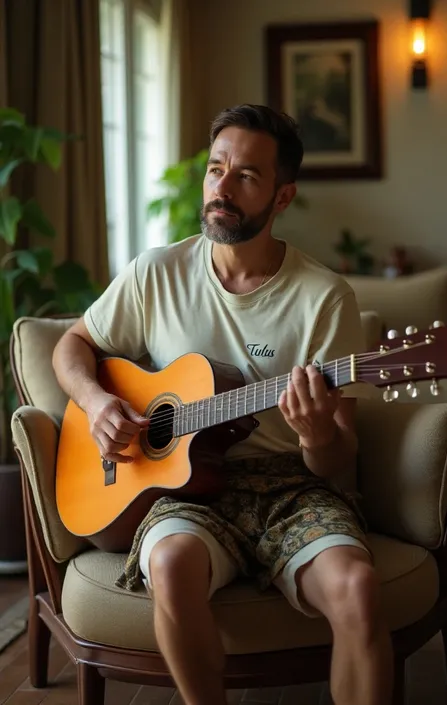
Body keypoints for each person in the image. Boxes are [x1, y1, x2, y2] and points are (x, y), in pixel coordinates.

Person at [52, 104, 393, 705]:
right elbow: (72, 345)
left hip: (292, 488)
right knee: (171, 569)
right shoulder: (155, 273)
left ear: (282, 196)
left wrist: (316, 435)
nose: (222, 189)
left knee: (359, 589)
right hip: (180, 490)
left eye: (247, 177)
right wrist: (98, 401)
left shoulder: (323, 297)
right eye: (216, 169)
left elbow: (336, 459)